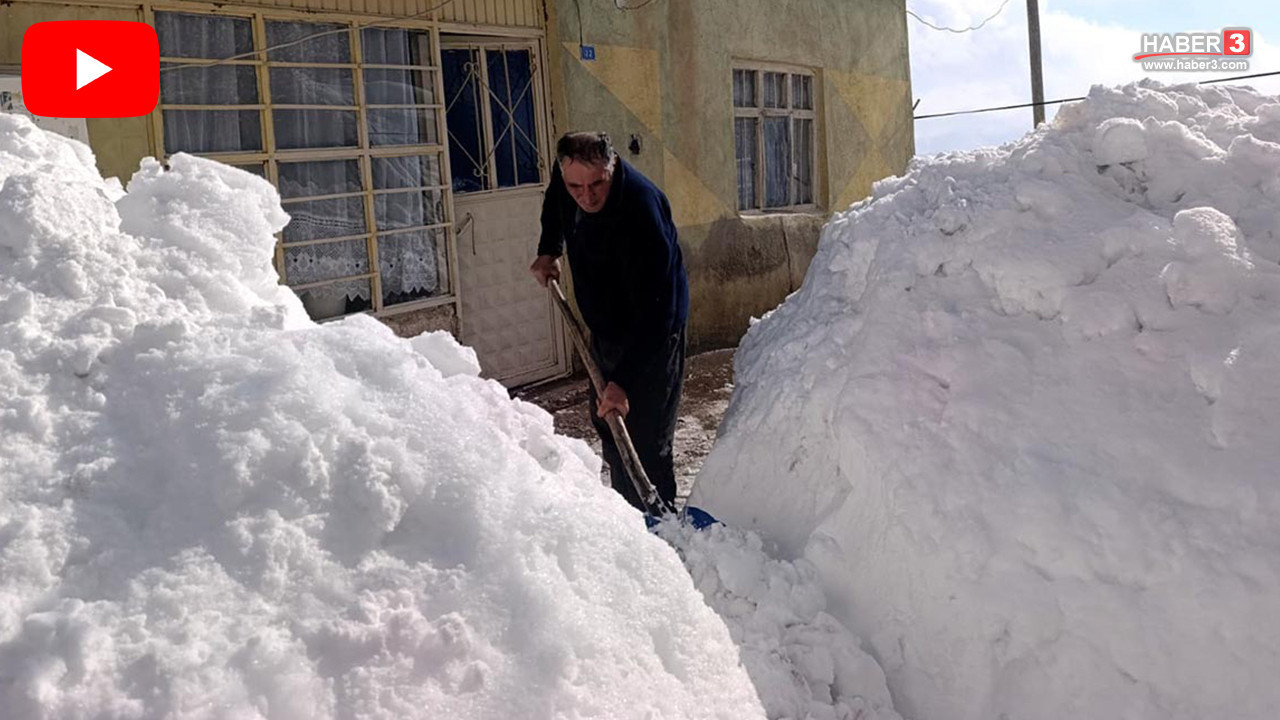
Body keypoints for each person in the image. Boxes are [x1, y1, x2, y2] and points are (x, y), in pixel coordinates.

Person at [530, 131, 689, 512]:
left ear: (613, 166)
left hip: (651, 335)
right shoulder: (568, 178)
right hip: (606, 327)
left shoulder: (641, 210)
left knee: (646, 438)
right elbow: (556, 198)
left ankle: (658, 523)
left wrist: (625, 381)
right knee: (608, 422)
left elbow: (658, 312)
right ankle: (626, 511)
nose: (586, 196)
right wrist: (549, 248)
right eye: (576, 186)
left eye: (596, 184)